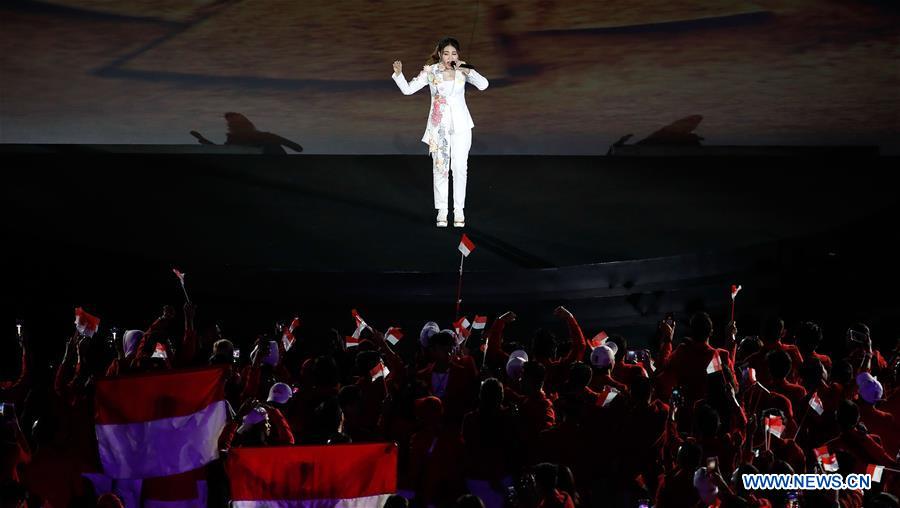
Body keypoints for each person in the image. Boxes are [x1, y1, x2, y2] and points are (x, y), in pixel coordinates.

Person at [391, 36, 489, 227]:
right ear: (440, 54)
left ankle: (459, 211)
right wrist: (399, 75)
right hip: (438, 128)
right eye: (446, 53)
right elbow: (408, 90)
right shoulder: (431, 71)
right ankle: (442, 210)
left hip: (461, 126)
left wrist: (468, 70)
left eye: (454, 53)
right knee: (440, 168)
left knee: (459, 168)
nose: (450, 57)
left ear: (458, 55)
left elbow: (484, 85)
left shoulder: (463, 70)